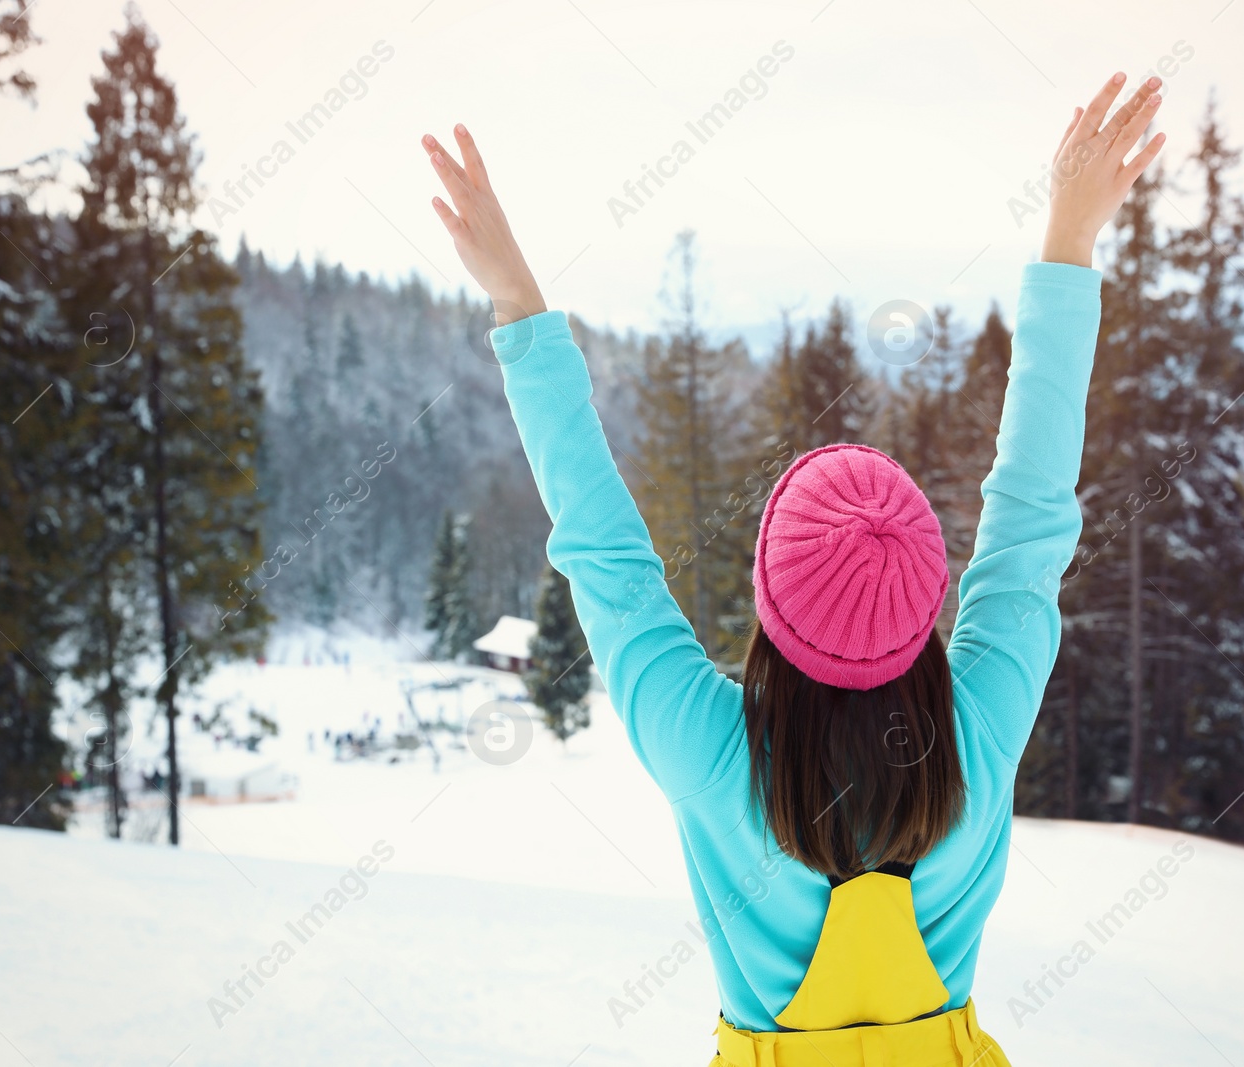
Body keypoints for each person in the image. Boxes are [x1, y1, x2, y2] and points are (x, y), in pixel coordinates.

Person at [420, 71, 1166, 1066]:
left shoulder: (711, 752)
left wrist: (516, 300)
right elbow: (1031, 512)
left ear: (772, 615)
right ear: (924, 611)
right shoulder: (978, 734)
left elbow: (602, 547)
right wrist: (1069, 243)